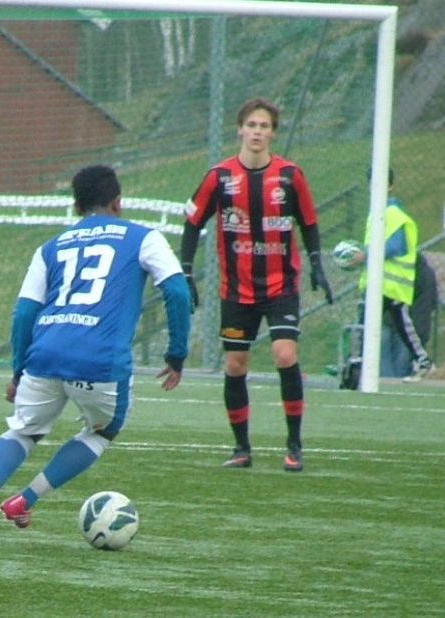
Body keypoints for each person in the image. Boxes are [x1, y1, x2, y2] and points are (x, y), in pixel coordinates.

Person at [0, 164, 190, 546]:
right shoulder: (144, 237)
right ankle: (24, 500)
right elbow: (177, 291)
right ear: (118, 202)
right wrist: (176, 354)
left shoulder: (50, 247)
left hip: (44, 355)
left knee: (23, 431)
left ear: (76, 207)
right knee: (102, 431)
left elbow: (24, 313)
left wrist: (19, 372)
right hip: (99, 362)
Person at [181, 97, 333, 473]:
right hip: (237, 289)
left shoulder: (290, 176)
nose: (257, 132)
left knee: (284, 354)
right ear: (240, 129)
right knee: (236, 364)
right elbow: (192, 223)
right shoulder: (219, 177)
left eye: (264, 126)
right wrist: (186, 271)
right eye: (251, 125)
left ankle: (294, 445)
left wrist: (317, 265)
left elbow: (309, 223)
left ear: (273, 133)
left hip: (281, 285)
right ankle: (241, 448)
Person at [347, 169, 434, 383]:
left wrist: (365, 254)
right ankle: (356, 367)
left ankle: (423, 363)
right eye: (372, 183)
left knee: (402, 328)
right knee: (366, 326)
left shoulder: (394, 214)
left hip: (391, 285)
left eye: (381, 182)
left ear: (390, 186)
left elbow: (395, 246)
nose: (375, 187)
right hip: (377, 284)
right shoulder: (376, 214)